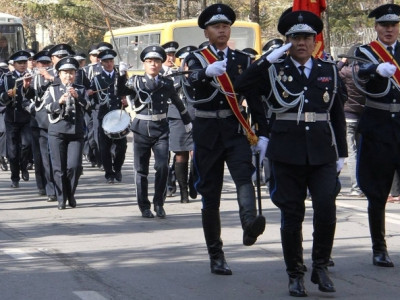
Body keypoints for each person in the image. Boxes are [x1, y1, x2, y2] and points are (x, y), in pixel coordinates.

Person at [235, 10, 347, 296]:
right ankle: (295, 273)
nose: (301, 43)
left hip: (322, 151)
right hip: (286, 150)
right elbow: (242, 86)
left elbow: (336, 114)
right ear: (287, 41)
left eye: (307, 37)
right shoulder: (274, 69)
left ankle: (320, 266)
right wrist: (264, 61)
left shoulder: (329, 71)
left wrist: (342, 152)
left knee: (326, 209)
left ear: (314, 42)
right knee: (292, 214)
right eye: (296, 37)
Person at [184, 3, 268, 275]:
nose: (221, 30)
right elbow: (191, 80)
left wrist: (262, 132)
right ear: (206, 32)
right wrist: (205, 74)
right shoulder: (197, 58)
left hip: (235, 128)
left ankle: (248, 223)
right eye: (215, 27)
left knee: (245, 176)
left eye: (225, 26)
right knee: (211, 194)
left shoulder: (242, 60)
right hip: (207, 130)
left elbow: (254, 98)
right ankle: (216, 254)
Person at [118, 45, 192, 219]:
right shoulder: (135, 81)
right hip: (142, 129)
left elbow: (177, 102)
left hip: (161, 129)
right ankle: (144, 205)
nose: (153, 64)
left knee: (162, 167)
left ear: (161, 63)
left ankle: (159, 202)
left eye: (157, 61)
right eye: (149, 61)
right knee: (141, 169)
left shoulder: (166, 83)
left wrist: (187, 122)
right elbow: (120, 92)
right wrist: (120, 75)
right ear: (144, 63)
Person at [353, 3, 400, 268]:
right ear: (376, 27)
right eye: (384, 25)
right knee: (376, 191)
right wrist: (376, 69)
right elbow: (361, 72)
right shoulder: (366, 51)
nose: (389, 29)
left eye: (393, 24)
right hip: (377, 126)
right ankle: (379, 248)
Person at [43, 57, 90, 210]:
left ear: (75, 74)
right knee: (59, 167)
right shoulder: (52, 88)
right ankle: (61, 198)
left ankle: (70, 193)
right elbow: (48, 107)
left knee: (74, 166)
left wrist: (78, 97)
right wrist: (60, 102)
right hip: (57, 131)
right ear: (59, 74)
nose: (68, 76)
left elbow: (88, 105)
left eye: (71, 73)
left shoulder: (80, 89)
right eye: (65, 73)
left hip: (76, 132)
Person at [87, 49, 127, 184]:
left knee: (122, 146)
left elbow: (128, 93)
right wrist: (90, 95)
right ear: (101, 63)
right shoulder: (97, 79)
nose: (109, 64)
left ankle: (118, 168)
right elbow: (92, 100)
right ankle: (109, 173)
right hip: (104, 116)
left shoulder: (120, 77)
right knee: (104, 147)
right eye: (106, 61)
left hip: (119, 115)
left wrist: (126, 100)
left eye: (111, 61)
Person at [24, 50, 56, 201]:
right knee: (39, 157)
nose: (44, 66)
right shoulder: (34, 77)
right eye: (41, 64)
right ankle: (42, 185)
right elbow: (29, 96)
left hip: (54, 121)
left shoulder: (55, 77)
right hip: (37, 121)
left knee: (52, 157)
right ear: (36, 65)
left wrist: (49, 77)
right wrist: (26, 86)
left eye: (47, 63)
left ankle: (53, 186)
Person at [167, 45, 198, 203]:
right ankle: (183, 191)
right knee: (181, 154)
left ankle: (193, 181)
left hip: (198, 117)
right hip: (179, 118)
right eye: (187, 62)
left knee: (197, 153)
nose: (189, 66)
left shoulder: (200, 76)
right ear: (181, 63)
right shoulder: (173, 77)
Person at [0, 50, 33, 188]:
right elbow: (1, 97)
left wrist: (26, 87)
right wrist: (8, 95)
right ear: (14, 64)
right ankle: (15, 177)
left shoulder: (32, 76)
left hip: (26, 117)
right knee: (12, 151)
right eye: (20, 63)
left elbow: (34, 95)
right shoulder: (7, 77)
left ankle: (24, 166)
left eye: (25, 62)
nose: (23, 65)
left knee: (26, 144)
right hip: (11, 117)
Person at [337, 44, 365, 197]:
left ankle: (356, 187)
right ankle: (364, 185)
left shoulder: (345, 72)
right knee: (362, 153)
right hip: (363, 116)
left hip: (348, 116)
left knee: (352, 153)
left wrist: (342, 62)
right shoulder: (366, 73)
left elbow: (331, 72)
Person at [161, 41, 179, 197]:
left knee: (178, 150)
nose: (170, 57)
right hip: (161, 116)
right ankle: (167, 183)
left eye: (173, 54)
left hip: (175, 116)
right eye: (167, 55)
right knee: (164, 153)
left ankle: (173, 175)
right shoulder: (157, 73)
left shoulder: (178, 73)